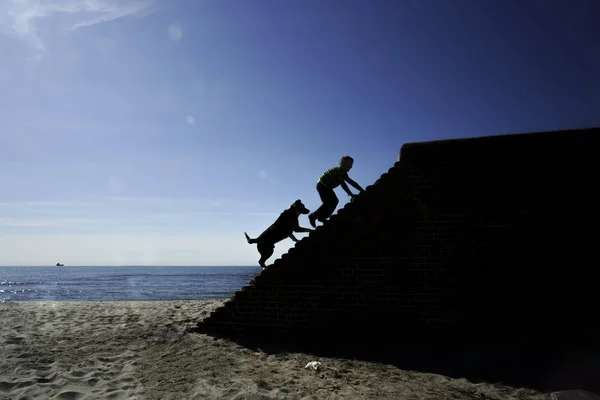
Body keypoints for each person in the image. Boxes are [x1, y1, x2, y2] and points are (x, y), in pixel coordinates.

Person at [244, 200, 314, 268]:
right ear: (296, 208)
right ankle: (263, 265)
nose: (305, 210)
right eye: (302, 208)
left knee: (268, 252)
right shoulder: (286, 217)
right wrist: (296, 240)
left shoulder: (293, 217)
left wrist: (310, 230)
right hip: (264, 243)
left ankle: (263, 265)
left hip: (265, 242)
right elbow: (287, 231)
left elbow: (296, 229)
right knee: (267, 253)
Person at [308, 155, 364, 228]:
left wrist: (362, 190)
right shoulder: (338, 171)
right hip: (322, 185)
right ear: (343, 164)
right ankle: (313, 216)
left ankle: (322, 217)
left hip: (328, 187)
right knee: (328, 202)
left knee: (334, 201)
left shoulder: (343, 173)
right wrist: (351, 194)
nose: (351, 167)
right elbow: (343, 184)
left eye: (351, 165)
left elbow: (351, 182)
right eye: (349, 165)